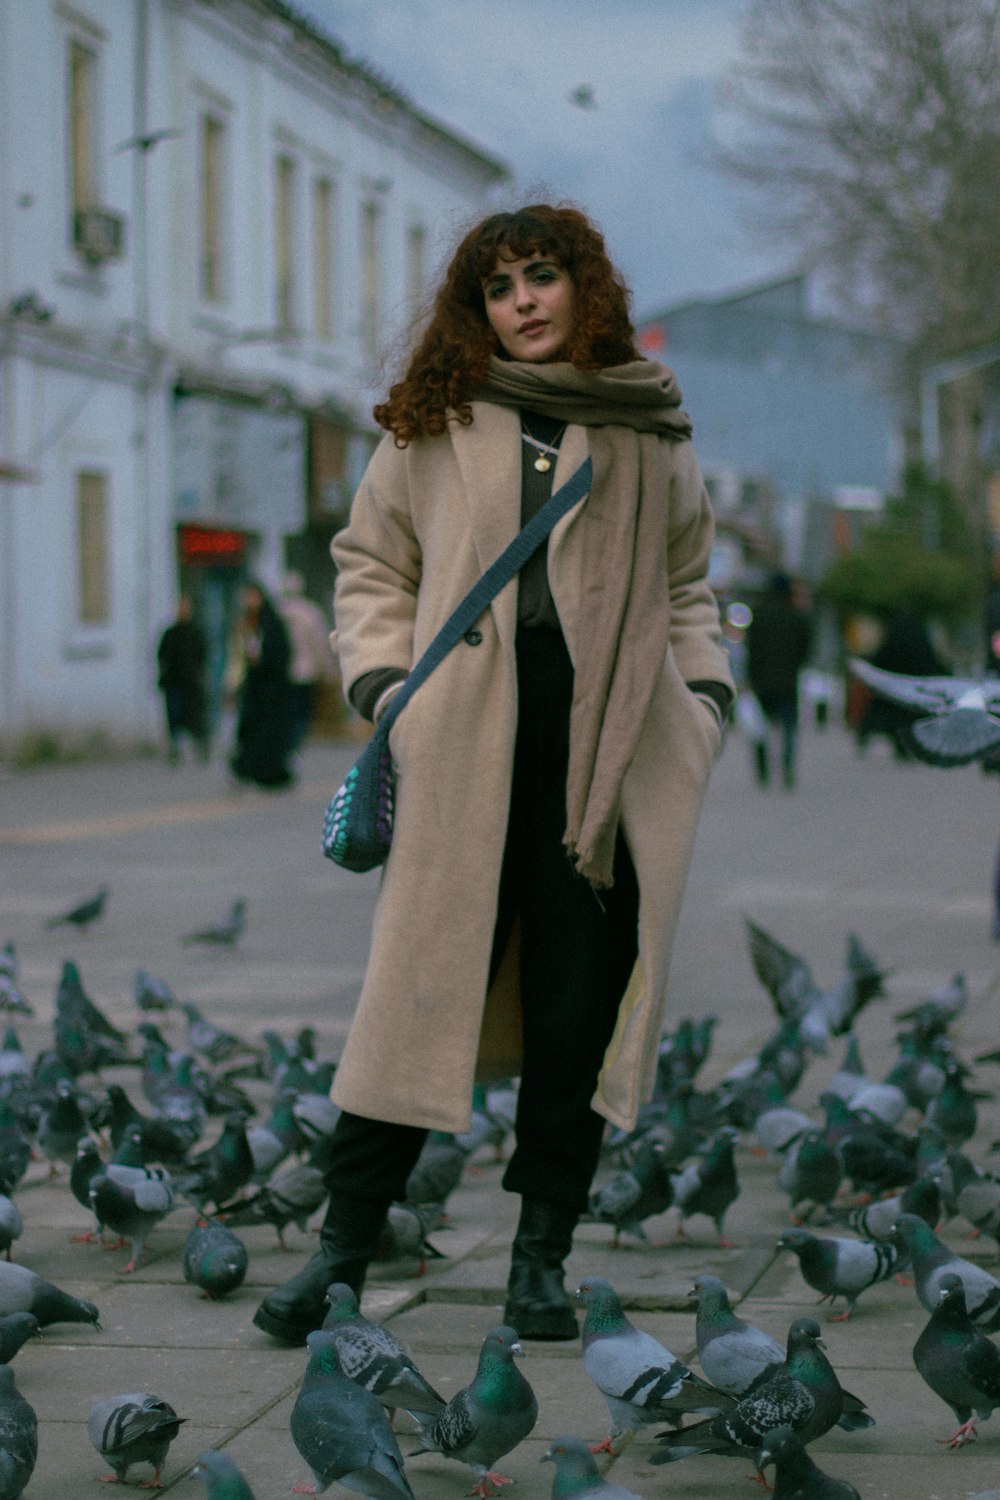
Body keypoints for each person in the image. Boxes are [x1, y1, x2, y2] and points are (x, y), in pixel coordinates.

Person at [253, 203, 734, 1346]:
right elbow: (372, 565)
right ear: (477, 310)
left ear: (584, 288)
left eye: (542, 277)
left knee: (573, 1013)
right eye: (499, 286)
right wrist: (381, 690)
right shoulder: (434, 421)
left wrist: (703, 704)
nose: (522, 301)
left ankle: (539, 1260)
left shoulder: (647, 427)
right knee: (413, 1001)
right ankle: (341, 1253)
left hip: (604, 762)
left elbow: (686, 588)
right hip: (466, 752)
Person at [744, 572, 812, 788]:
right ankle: (787, 768)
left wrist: (751, 676)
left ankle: (763, 770)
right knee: (789, 728)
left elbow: (751, 650)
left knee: (761, 728)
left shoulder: (758, 616)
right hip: (788, 681)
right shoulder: (796, 617)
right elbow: (805, 648)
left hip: (761, 682)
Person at [227, 579, 296, 790]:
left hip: (272, 689)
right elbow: (237, 657)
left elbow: (280, 654)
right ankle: (249, 769)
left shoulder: (272, 624)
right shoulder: (245, 624)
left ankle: (269, 772)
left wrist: (262, 660)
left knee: (269, 732)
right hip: (254, 688)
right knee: (250, 731)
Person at [857, 609, 949, 760]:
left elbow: (882, 658)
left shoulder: (893, 637)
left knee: (879, 712)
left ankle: (866, 736)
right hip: (912, 686)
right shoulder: (918, 637)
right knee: (908, 717)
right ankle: (906, 746)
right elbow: (930, 660)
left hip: (893, 684)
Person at [278, 572, 337, 753]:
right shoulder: (310, 613)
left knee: (287, 707)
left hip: (285, 670)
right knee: (302, 708)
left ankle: (289, 739)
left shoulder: (278, 612)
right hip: (305, 670)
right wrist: (327, 667)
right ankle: (296, 740)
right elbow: (319, 642)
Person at [156, 596, 209, 765]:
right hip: (174, 682)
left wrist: (199, 674)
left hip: (191, 683)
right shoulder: (170, 633)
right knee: (174, 716)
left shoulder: (195, 632)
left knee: (194, 717)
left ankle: (200, 747)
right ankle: (174, 749)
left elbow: (203, 655)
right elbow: (162, 655)